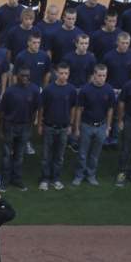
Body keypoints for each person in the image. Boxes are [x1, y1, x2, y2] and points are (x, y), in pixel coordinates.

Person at [0, 67, 41, 191]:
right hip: (10, 125)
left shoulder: (34, 90)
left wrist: (33, 122)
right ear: (17, 76)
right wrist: (2, 128)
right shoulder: (10, 91)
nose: (25, 78)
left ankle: (16, 179)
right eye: (22, 75)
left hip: (25, 126)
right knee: (6, 155)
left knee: (20, 155)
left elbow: (37, 108)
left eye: (27, 76)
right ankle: (5, 180)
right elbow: (3, 111)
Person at [72, 63, 114, 186]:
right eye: (99, 75)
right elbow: (79, 109)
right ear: (94, 75)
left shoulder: (109, 90)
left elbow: (110, 110)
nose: (102, 78)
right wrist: (77, 127)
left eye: (104, 76)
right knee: (82, 153)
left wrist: (108, 126)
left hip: (101, 126)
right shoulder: (85, 90)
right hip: (86, 125)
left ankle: (91, 175)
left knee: (95, 154)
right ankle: (79, 175)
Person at [38, 62, 78, 191]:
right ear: (56, 74)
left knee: (59, 156)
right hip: (49, 126)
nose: (63, 76)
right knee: (46, 155)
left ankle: (55, 179)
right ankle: (45, 179)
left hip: (63, 127)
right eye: (61, 73)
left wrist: (71, 125)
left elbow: (73, 108)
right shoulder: (48, 89)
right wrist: (39, 125)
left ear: (69, 74)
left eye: (66, 73)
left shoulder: (71, 90)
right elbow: (41, 109)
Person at [103, 31, 131, 145]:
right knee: (107, 114)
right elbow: (104, 73)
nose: (125, 45)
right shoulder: (108, 56)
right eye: (123, 43)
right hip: (111, 89)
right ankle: (105, 138)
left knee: (119, 115)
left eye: (127, 43)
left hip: (124, 90)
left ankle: (114, 139)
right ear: (117, 42)